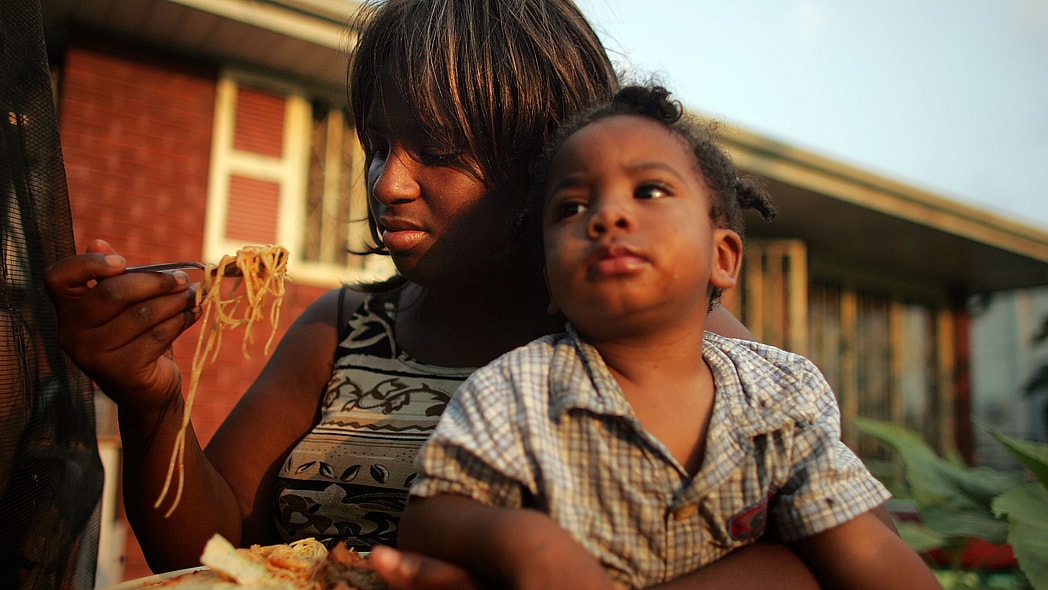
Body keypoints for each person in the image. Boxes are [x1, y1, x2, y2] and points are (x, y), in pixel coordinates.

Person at [45, 1, 840, 588]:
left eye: (438, 152)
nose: (386, 183)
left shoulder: (678, 350)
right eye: (378, 145)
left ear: (544, 164)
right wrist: (151, 400)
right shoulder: (343, 331)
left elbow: (814, 558)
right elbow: (208, 553)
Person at [398, 85, 941, 589]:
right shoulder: (517, 388)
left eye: (649, 190)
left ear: (723, 258)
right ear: (550, 280)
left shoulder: (780, 393)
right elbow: (427, 519)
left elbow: (863, 547)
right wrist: (525, 542)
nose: (608, 215)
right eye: (572, 207)